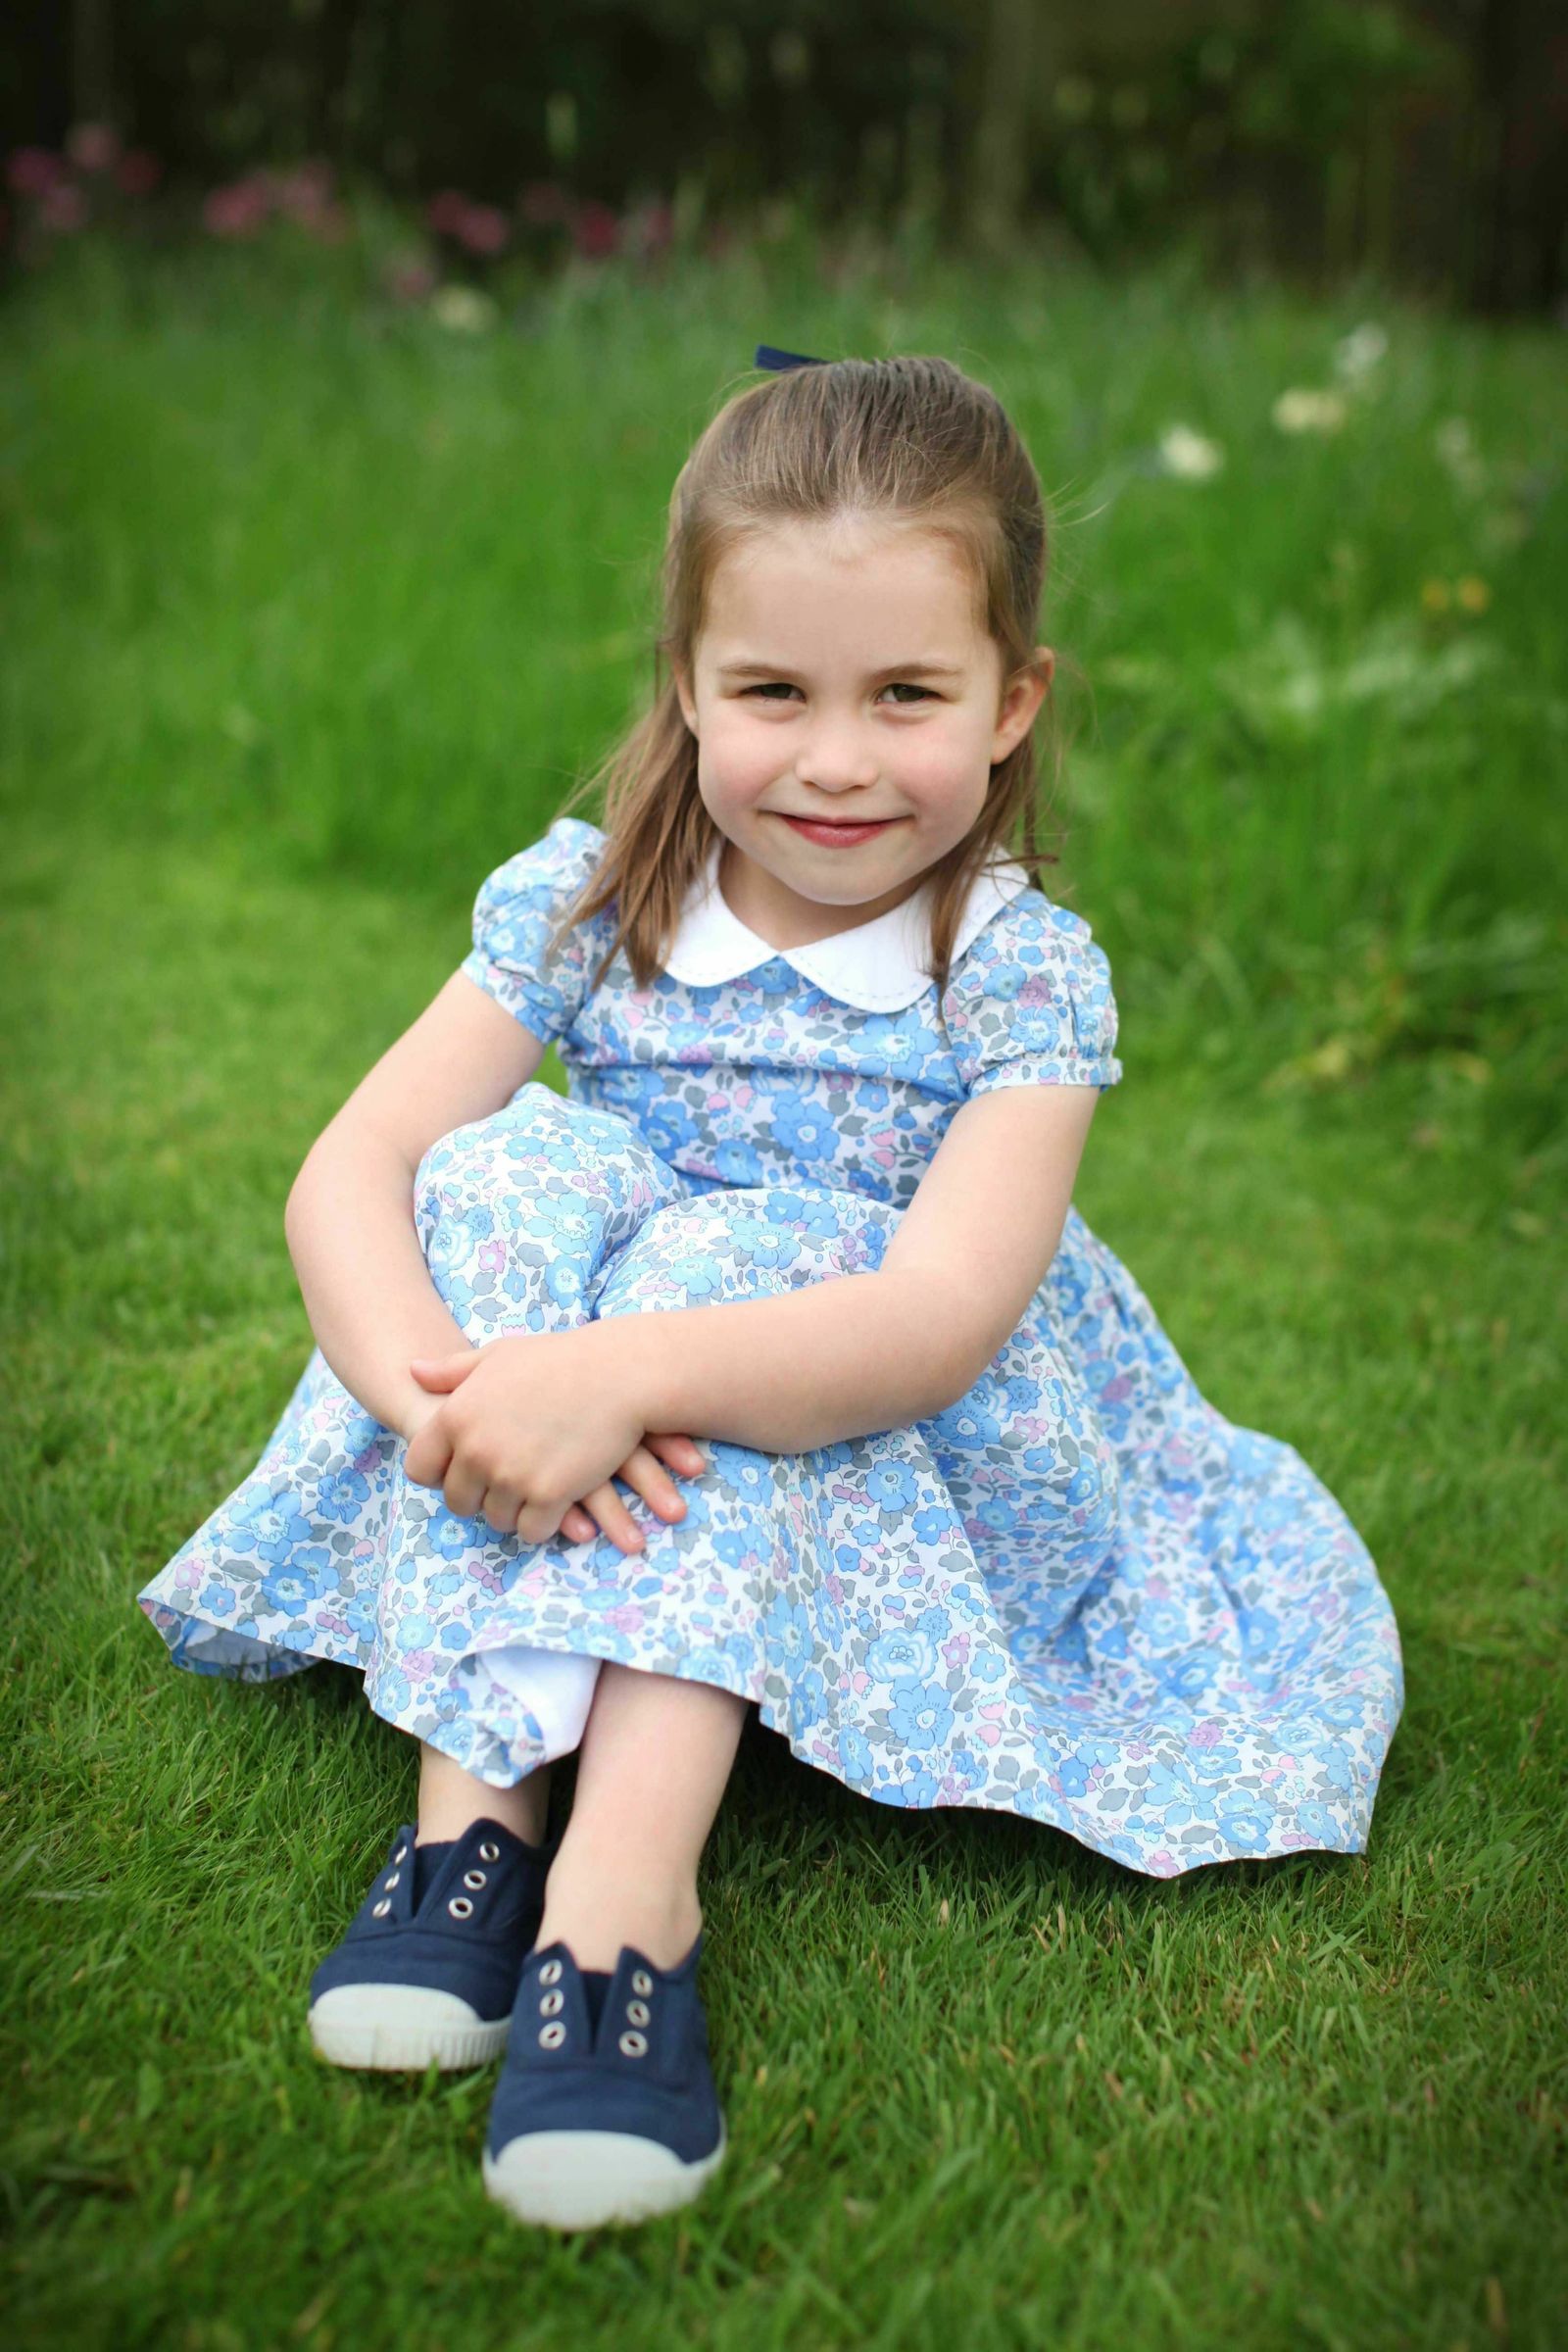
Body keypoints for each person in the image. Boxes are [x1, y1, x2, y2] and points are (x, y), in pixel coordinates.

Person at [137, 346, 1404, 2232]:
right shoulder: (588, 902)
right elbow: (357, 1168)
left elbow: (935, 1319)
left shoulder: (1016, 968)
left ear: (1010, 701)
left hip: (897, 1405)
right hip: (577, 1378)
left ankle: (622, 1908)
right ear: (686, 687)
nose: (833, 756)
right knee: (505, 1170)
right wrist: (450, 1413)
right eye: (772, 692)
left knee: (768, 1249)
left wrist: (623, 1376)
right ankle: (468, 1833)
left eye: (906, 693)